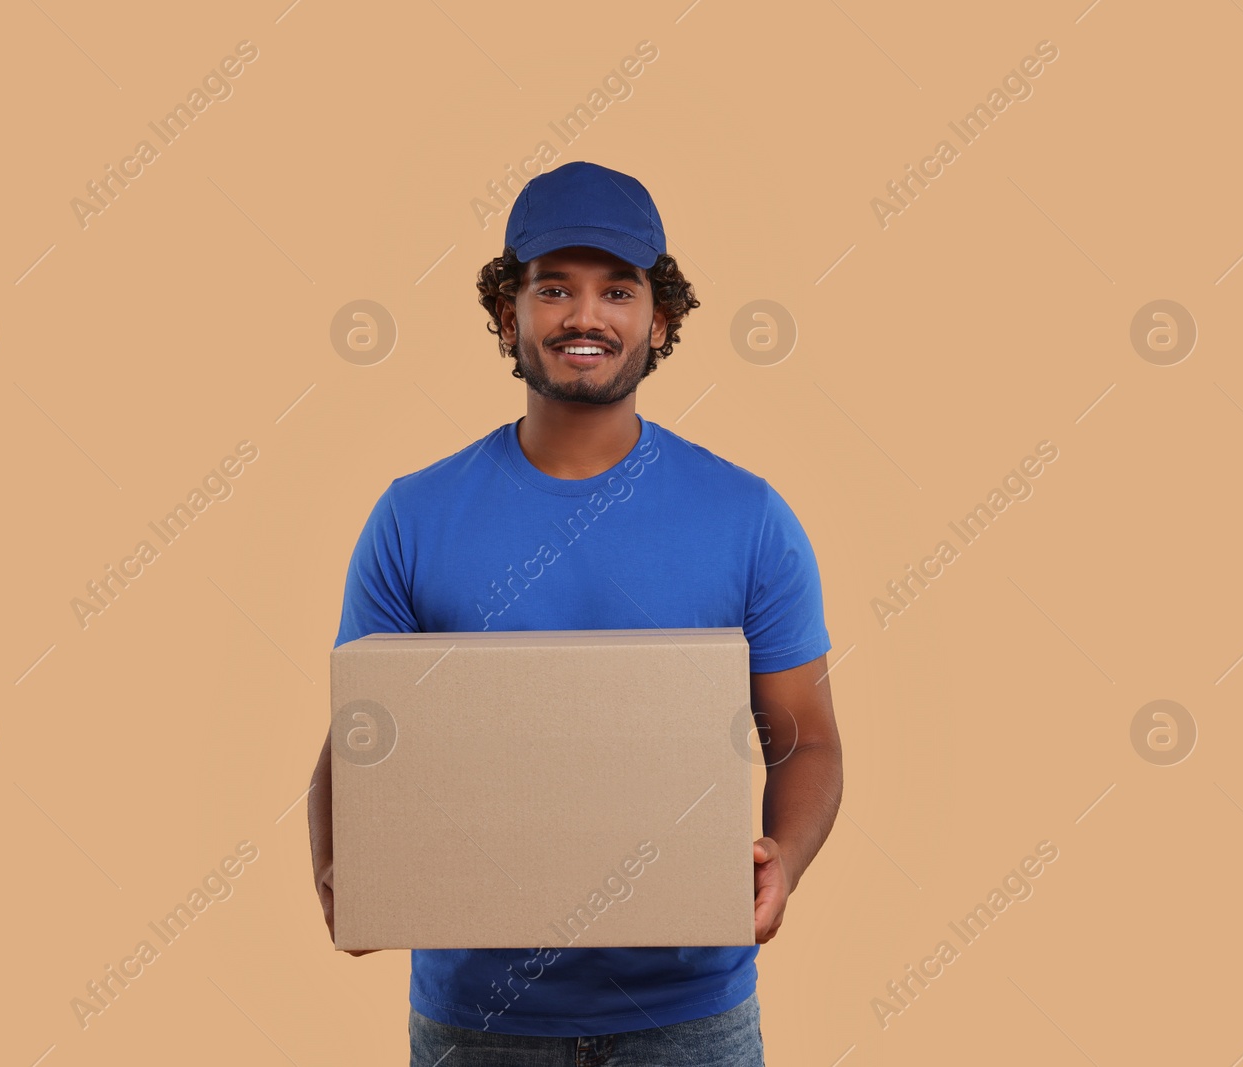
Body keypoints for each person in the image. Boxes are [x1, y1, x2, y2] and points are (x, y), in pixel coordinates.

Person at [309, 161, 843, 1066]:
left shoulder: (748, 516)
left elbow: (807, 740)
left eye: (617, 290)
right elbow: (360, 734)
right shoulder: (415, 514)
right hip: (476, 1019)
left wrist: (782, 862)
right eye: (552, 288)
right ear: (506, 314)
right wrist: (340, 877)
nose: (583, 316)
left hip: (692, 1014)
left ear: (658, 318)